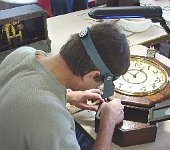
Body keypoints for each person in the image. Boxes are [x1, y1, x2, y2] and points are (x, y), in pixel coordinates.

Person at [0, 23, 130, 150]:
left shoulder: (23, 53)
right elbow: (41, 111)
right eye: (101, 83)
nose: (100, 86)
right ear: (91, 75)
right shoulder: (51, 118)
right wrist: (108, 123)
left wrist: (67, 95)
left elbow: (22, 90)